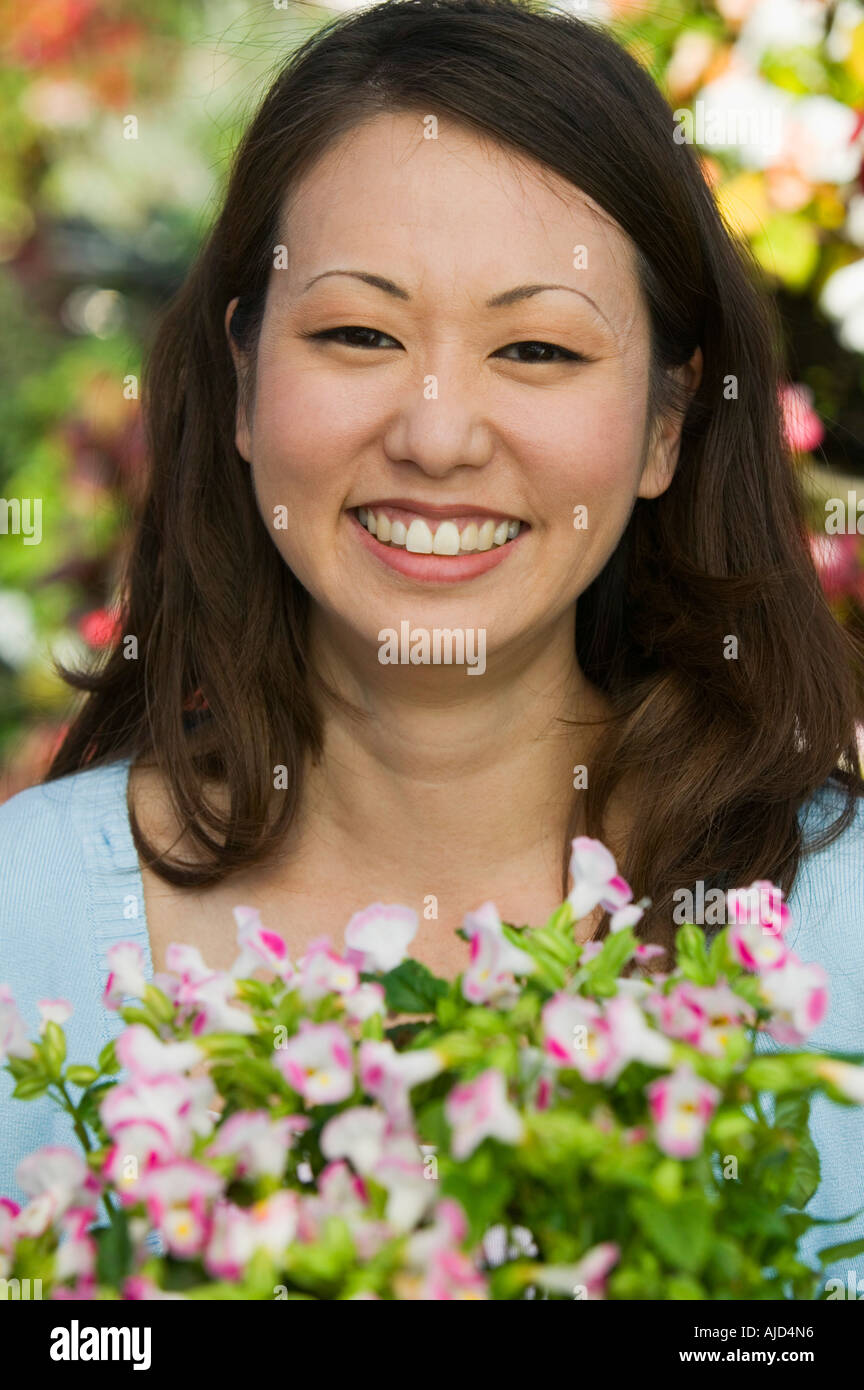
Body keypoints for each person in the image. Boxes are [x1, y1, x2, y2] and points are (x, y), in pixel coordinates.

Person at [1, 0, 862, 1288]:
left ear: (665, 428)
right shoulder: (28, 925)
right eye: (360, 333)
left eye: (536, 347)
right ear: (242, 382)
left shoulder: (834, 932)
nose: (439, 436)